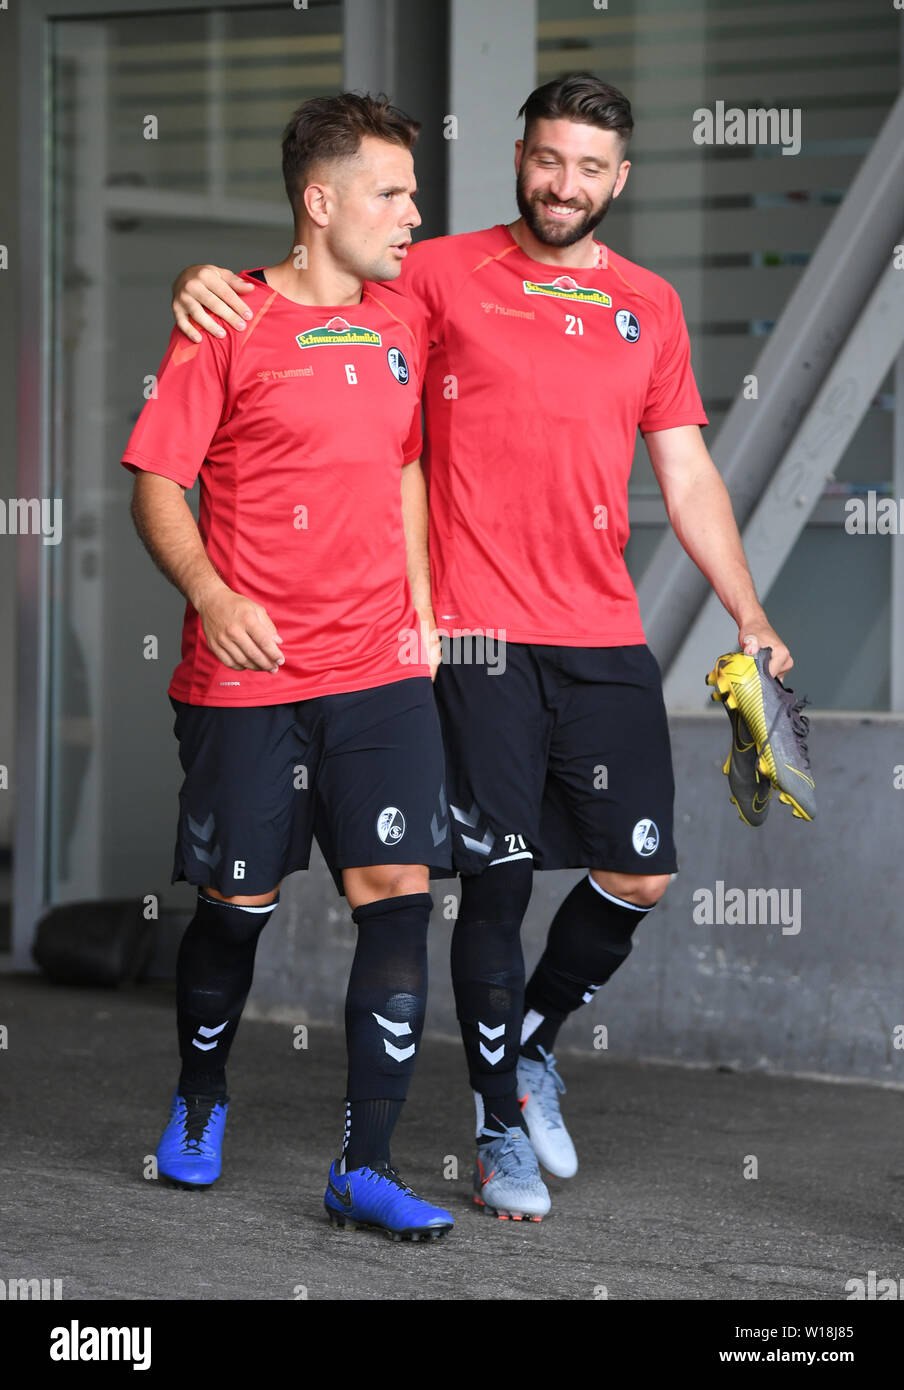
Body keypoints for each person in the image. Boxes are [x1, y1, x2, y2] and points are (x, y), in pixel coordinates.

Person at [166, 74, 793, 1223]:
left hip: (600, 628)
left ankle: (532, 1046)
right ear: (519, 157)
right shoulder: (436, 273)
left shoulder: (647, 304)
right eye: (549, 160)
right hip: (469, 638)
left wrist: (748, 611)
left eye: (591, 167)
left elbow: (688, 469)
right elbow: (309, 287)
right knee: (485, 887)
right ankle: (494, 1123)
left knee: (641, 867)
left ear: (621, 178)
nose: (566, 185)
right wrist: (202, 280)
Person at [123, 92, 454, 1242]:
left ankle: (365, 1163)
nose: (415, 213)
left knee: (399, 900)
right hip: (249, 677)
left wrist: (418, 617)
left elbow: (407, 464)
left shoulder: (405, 315)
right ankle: (202, 1098)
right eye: (393, 193)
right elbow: (157, 485)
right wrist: (211, 595)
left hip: (378, 672)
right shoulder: (222, 321)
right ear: (321, 203)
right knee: (236, 905)